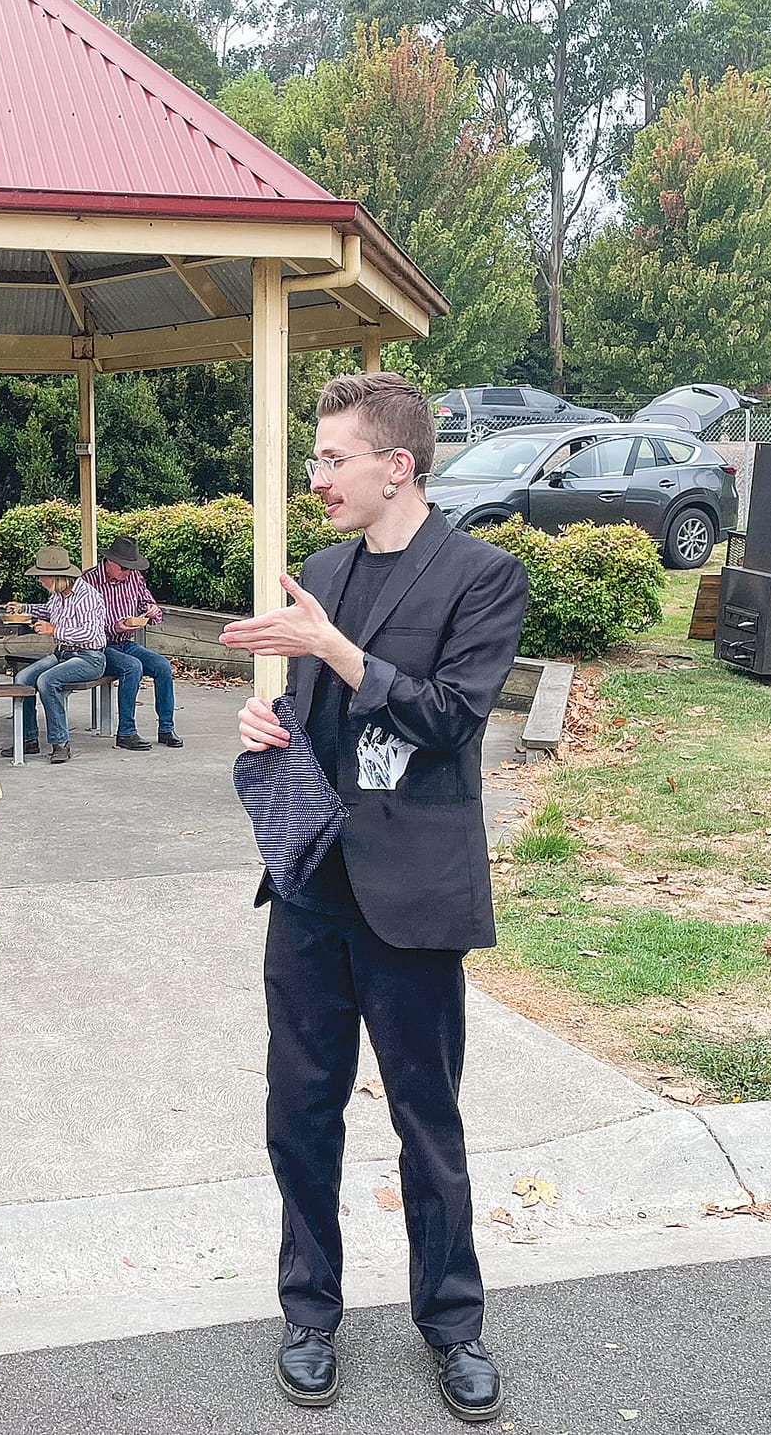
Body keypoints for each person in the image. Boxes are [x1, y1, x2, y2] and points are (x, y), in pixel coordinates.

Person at [222, 372, 526, 1424]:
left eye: (331, 458)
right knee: (298, 1114)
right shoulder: (320, 571)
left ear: (396, 465)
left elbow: (447, 721)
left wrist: (332, 650)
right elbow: (311, 712)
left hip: (413, 897)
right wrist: (272, 730)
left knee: (423, 1121)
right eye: (312, 459)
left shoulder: (482, 577)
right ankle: (308, 1312)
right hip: (312, 885)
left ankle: (454, 1327)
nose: (316, 478)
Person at [82, 535, 181, 752]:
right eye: (124, 568)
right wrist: (114, 627)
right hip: (97, 647)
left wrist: (152, 610)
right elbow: (82, 622)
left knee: (162, 666)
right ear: (109, 561)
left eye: (130, 568)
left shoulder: (134, 578)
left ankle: (166, 728)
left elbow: (147, 601)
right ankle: (126, 732)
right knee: (132, 666)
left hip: (126, 642)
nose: (127, 572)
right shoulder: (87, 582)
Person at [13, 544, 106, 764]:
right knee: (22, 678)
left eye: (42, 576)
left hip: (89, 657)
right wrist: (23, 608)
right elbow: (48, 610)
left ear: (56, 576)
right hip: (62, 654)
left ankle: (60, 743)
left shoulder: (87, 597)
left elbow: (90, 632)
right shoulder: (58, 595)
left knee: (47, 680)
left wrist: (54, 630)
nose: (40, 581)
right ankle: (28, 738)